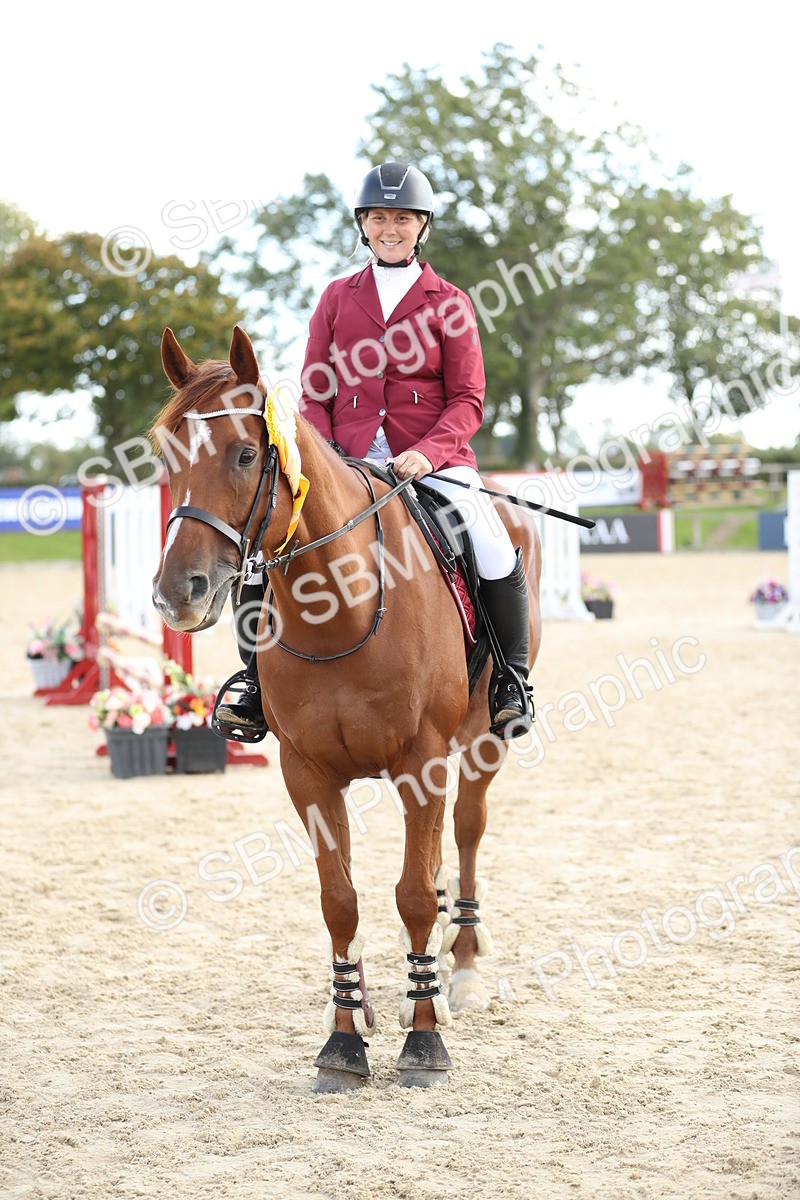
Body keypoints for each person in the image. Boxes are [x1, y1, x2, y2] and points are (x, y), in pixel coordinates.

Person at [215, 161, 533, 742]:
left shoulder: (451, 302)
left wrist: (429, 454)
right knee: (264, 551)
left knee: (489, 541)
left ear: (421, 227)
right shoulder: (338, 298)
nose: (392, 228)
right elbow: (315, 390)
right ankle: (256, 682)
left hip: (431, 463)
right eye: (380, 217)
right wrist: (328, 456)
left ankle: (510, 680)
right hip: (344, 462)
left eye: (404, 218)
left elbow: (467, 400)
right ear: (364, 225)